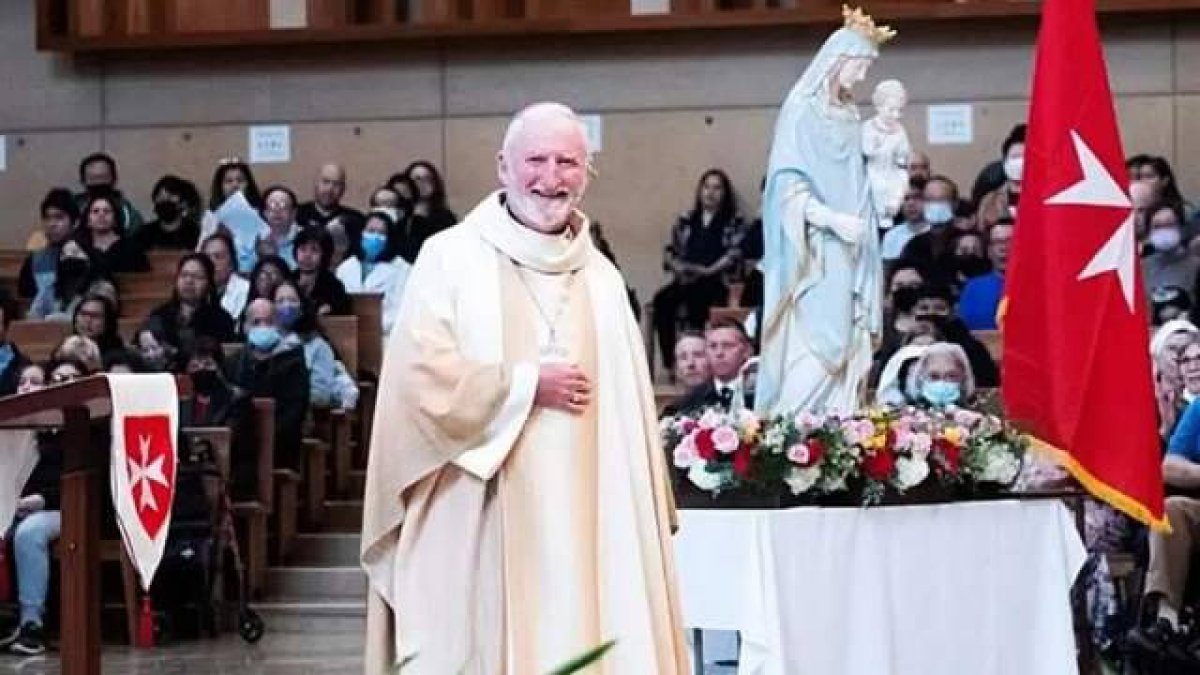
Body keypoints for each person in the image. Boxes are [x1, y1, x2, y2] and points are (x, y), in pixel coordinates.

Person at [361, 102, 687, 674]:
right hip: (481, 507)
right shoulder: (451, 257)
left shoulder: (604, 280)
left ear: (587, 174)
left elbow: (629, 418)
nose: (552, 177)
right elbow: (419, 378)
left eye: (568, 162)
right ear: (502, 168)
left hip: (594, 513)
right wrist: (523, 386)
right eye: (536, 159)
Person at [755, 6, 891, 416]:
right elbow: (786, 188)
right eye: (861, 65)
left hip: (855, 241)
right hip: (814, 245)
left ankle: (839, 422)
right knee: (820, 333)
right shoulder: (801, 109)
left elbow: (858, 179)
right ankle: (795, 423)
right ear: (838, 60)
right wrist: (833, 221)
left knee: (851, 335)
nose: (863, 77)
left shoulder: (850, 115)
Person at [651, 169, 745, 371]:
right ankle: (673, 363)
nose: (710, 193)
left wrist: (709, 270)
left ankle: (703, 363)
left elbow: (735, 253)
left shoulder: (733, 221)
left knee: (699, 300)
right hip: (687, 278)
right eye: (706, 187)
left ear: (724, 193)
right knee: (662, 300)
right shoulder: (686, 219)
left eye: (717, 188)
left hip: (717, 280)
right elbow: (671, 251)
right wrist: (680, 267)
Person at [335, 210, 412, 340]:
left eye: (381, 233)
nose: (375, 237)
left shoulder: (403, 269)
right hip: (349, 337)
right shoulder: (346, 267)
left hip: (386, 337)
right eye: (370, 231)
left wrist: (371, 326)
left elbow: (404, 309)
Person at [142, 253, 238, 356]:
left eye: (197, 276)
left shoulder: (222, 319)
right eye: (184, 275)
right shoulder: (160, 315)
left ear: (209, 283)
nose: (189, 281)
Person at [671, 317, 755, 415]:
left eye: (727, 345)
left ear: (747, 351)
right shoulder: (687, 403)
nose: (719, 353)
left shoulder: (760, 395)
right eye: (713, 346)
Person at [19, 189, 79, 301]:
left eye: (59, 217)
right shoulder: (34, 260)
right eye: (47, 218)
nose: (52, 224)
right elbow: (25, 301)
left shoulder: (88, 257)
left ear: (75, 222)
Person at [396, 161, 457, 263]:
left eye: (427, 178)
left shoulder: (445, 218)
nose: (422, 183)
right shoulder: (401, 216)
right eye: (417, 179)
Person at [134, 175, 202, 251]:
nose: (165, 201)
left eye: (170, 197)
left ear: (183, 203)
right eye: (161, 197)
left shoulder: (194, 233)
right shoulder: (144, 233)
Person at [201, 232, 251, 322]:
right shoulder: (197, 290)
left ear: (231, 262)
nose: (211, 263)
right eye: (207, 258)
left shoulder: (246, 290)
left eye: (218, 257)